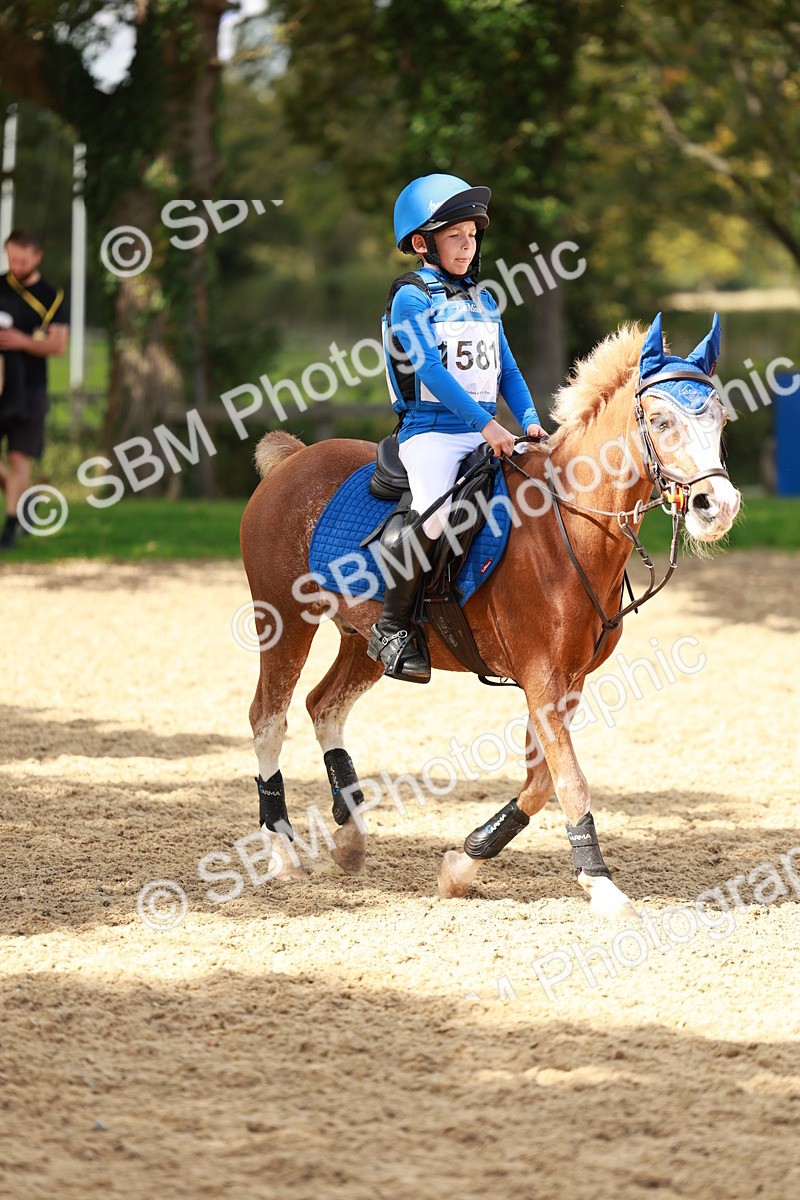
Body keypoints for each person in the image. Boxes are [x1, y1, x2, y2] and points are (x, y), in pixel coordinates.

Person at [367, 173, 547, 684]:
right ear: (423, 243)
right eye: (455, 236)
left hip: (486, 428)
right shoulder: (410, 297)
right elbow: (429, 370)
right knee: (435, 517)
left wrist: (531, 422)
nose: (467, 245)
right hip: (431, 434)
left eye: (472, 235)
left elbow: (507, 371)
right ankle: (393, 627)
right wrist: (487, 425)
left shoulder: (484, 301)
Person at [0, 229, 69, 549]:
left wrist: (21, 341)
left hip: (30, 389)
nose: (16, 265)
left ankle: (11, 524)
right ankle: (24, 502)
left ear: (37, 257)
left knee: (18, 457)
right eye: (11, 258)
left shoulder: (51, 296)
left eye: (22, 260)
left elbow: (58, 345)